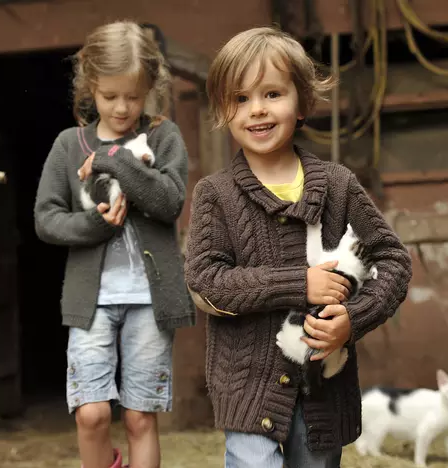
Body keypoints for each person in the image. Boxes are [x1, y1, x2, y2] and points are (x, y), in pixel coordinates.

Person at [185, 26, 412, 468]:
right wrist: (299, 283)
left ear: (302, 102)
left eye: (272, 94)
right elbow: (206, 279)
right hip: (248, 385)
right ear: (222, 110)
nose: (257, 111)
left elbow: (393, 259)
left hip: (323, 387)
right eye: (240, 98)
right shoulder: (215, 195)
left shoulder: (337, 185)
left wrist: (354, 318)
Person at [34, 20, 194, 468]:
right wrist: (95, 225)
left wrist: (114, 159)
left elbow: (169, 201)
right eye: (110, 96)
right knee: (92, 414)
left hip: (149, 299)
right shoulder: (69, 145)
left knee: (141, 418)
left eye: (134, 96)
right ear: (90, 87)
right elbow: (46, 219)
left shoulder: (163, 137)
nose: (123, 108)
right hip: (92, 301)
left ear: (150, 88)